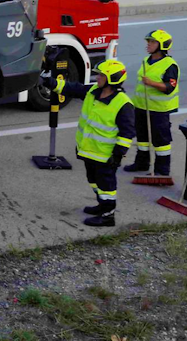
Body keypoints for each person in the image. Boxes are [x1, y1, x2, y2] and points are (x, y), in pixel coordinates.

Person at [44, 59, 136, 227]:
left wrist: (118, 154)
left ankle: (108, 215)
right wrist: (48, 81)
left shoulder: (123, 104)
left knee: (106, 186)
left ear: (112, 78)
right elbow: (71, 88)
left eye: (101, 75)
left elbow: (127, 133)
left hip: (105, 155)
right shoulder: (94, 91)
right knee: (93, 180)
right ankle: (102, 205)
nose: (97, 78)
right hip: (89, 151)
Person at [125, 30, 179, 176]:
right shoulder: (146, 60)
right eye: (148, 41)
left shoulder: (169, 65)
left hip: (158, 110)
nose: (148, 44)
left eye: (152, 42)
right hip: (141, 107)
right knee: (142, 138)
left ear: (161, 45)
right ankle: (142, 163)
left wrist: (152, 83)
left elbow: (169, 87)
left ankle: (162, 170)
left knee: (161, 142)